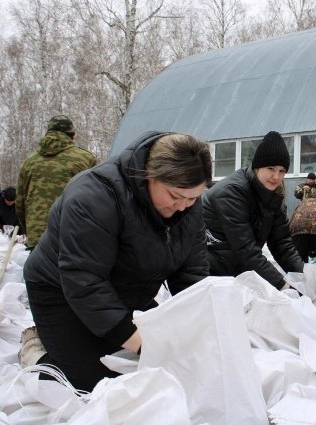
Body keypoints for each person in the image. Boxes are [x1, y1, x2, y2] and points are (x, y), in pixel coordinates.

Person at [21, 132, 212, 391]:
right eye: (176, 196)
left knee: (171, 360)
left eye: (192, 198)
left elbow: (192, 272)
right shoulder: (94, 196)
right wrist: (139, 341)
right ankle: (37, 350)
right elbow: (84, 280)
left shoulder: (188, 204)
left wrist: (198, 322)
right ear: (150, 176)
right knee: (95, 383)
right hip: (62, 290)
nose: (183, 207)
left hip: (129, 286)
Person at [202, 130, 304, 290]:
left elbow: (282, 244)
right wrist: (283, 286)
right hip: (209, 275)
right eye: (271, 168)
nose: (276, 176)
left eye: (282, 171)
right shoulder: (232, 192)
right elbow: (246, 250)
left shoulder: (272, 196)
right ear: (257, 166)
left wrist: (305, 278)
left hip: (236, 272)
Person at [16, 115, 96, 249]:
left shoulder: (29, 162)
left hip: (37, 236)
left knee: (40, 270)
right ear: (72, 135)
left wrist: (29, 229)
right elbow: (95, 199)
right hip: (73, 233)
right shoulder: (84, 158)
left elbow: (20, 203)